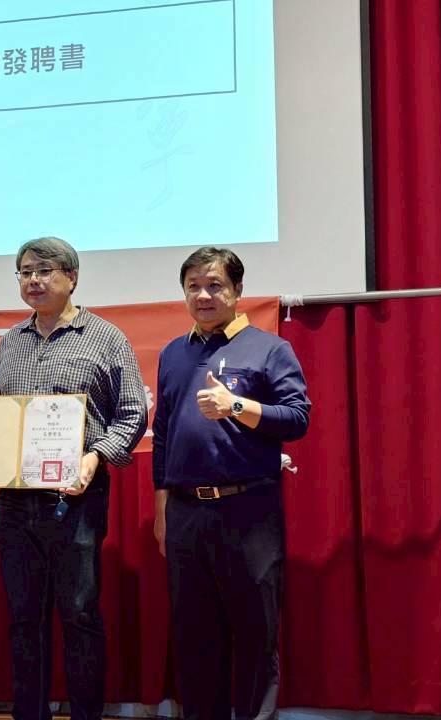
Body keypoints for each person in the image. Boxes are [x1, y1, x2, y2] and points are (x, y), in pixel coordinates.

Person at [0, 237, 148, 720]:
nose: (33, 280)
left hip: (75, 497)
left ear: (71, 277)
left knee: (79, 614)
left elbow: (132, 413)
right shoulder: (11, 341)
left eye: (44, 270)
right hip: (14, 499)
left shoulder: (106, 337)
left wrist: (96, 456)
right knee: (23, 618)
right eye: (24, 272)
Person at [151, 247, 310, 720]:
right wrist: (162, 510)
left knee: (256, 633)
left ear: (238, 290)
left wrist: (237, 406)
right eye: (193, 286)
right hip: (185, 513)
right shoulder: (173, 353)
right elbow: (163, 436)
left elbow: (297, 418)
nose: (203, 295)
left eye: (215, 285)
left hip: (248, 511)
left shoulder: (269, 349)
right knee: (195, 637)